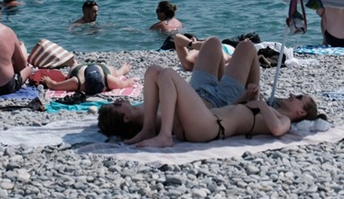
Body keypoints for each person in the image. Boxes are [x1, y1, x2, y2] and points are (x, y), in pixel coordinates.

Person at [97, 65, 319, 148]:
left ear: (301, 112)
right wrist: (246, 97)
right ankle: (149, 129)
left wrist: (260, 104)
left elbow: (277, 131)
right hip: (206, 120)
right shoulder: (272, 111)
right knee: (153, 71)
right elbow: (232, 110)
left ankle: (164, 135)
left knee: (168, 74)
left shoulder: (285, 120)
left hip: (211, 128)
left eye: (299, 97)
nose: (292, 94)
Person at [185, 36, 261, 108]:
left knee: (212, 42)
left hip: (197, 92)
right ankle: (253, 107)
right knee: (247, 47)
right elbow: (215, 117)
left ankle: (221, 83)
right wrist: (245, 96)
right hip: (219, 104)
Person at [41, 62, 135, 95]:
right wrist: (132, 81)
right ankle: (74, 64)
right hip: (81, 70)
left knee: (115, 72)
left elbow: (54, 85)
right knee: (72, 70)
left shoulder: (107, 79)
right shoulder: (78, 81)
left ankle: (122, 70)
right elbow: (126, 84)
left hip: (100, 69)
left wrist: (48, 81)